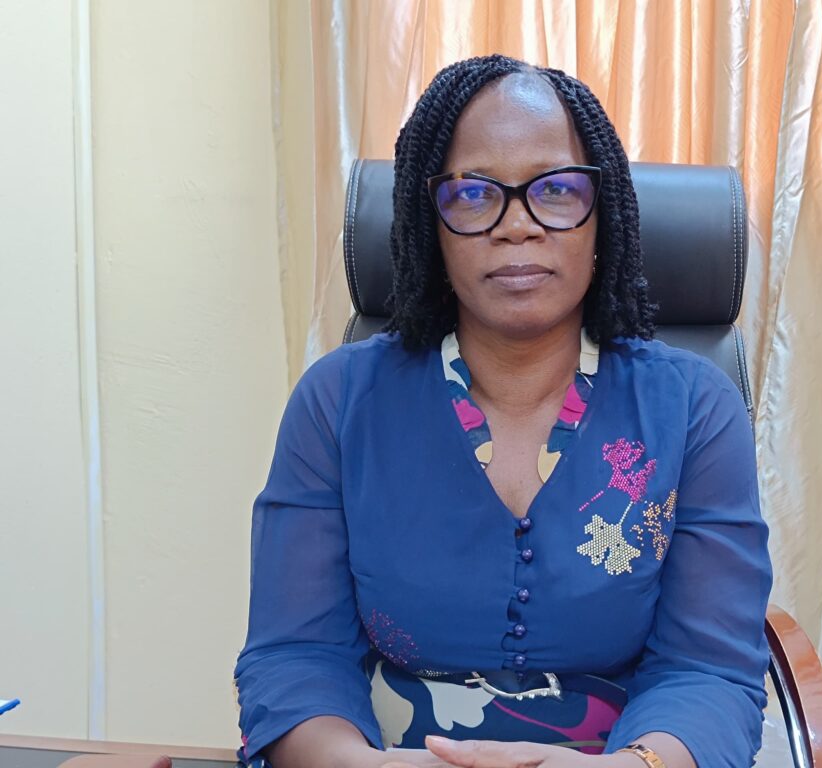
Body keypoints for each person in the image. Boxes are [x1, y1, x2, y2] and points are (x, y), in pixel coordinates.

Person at [234, 54, 772, 768]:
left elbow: (708, 670)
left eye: (556, 189)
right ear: (430, 223)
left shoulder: (696, 409)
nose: (517, 225)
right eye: (473, 194)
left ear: (602, 214)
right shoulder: (337, 402)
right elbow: (295, 654)